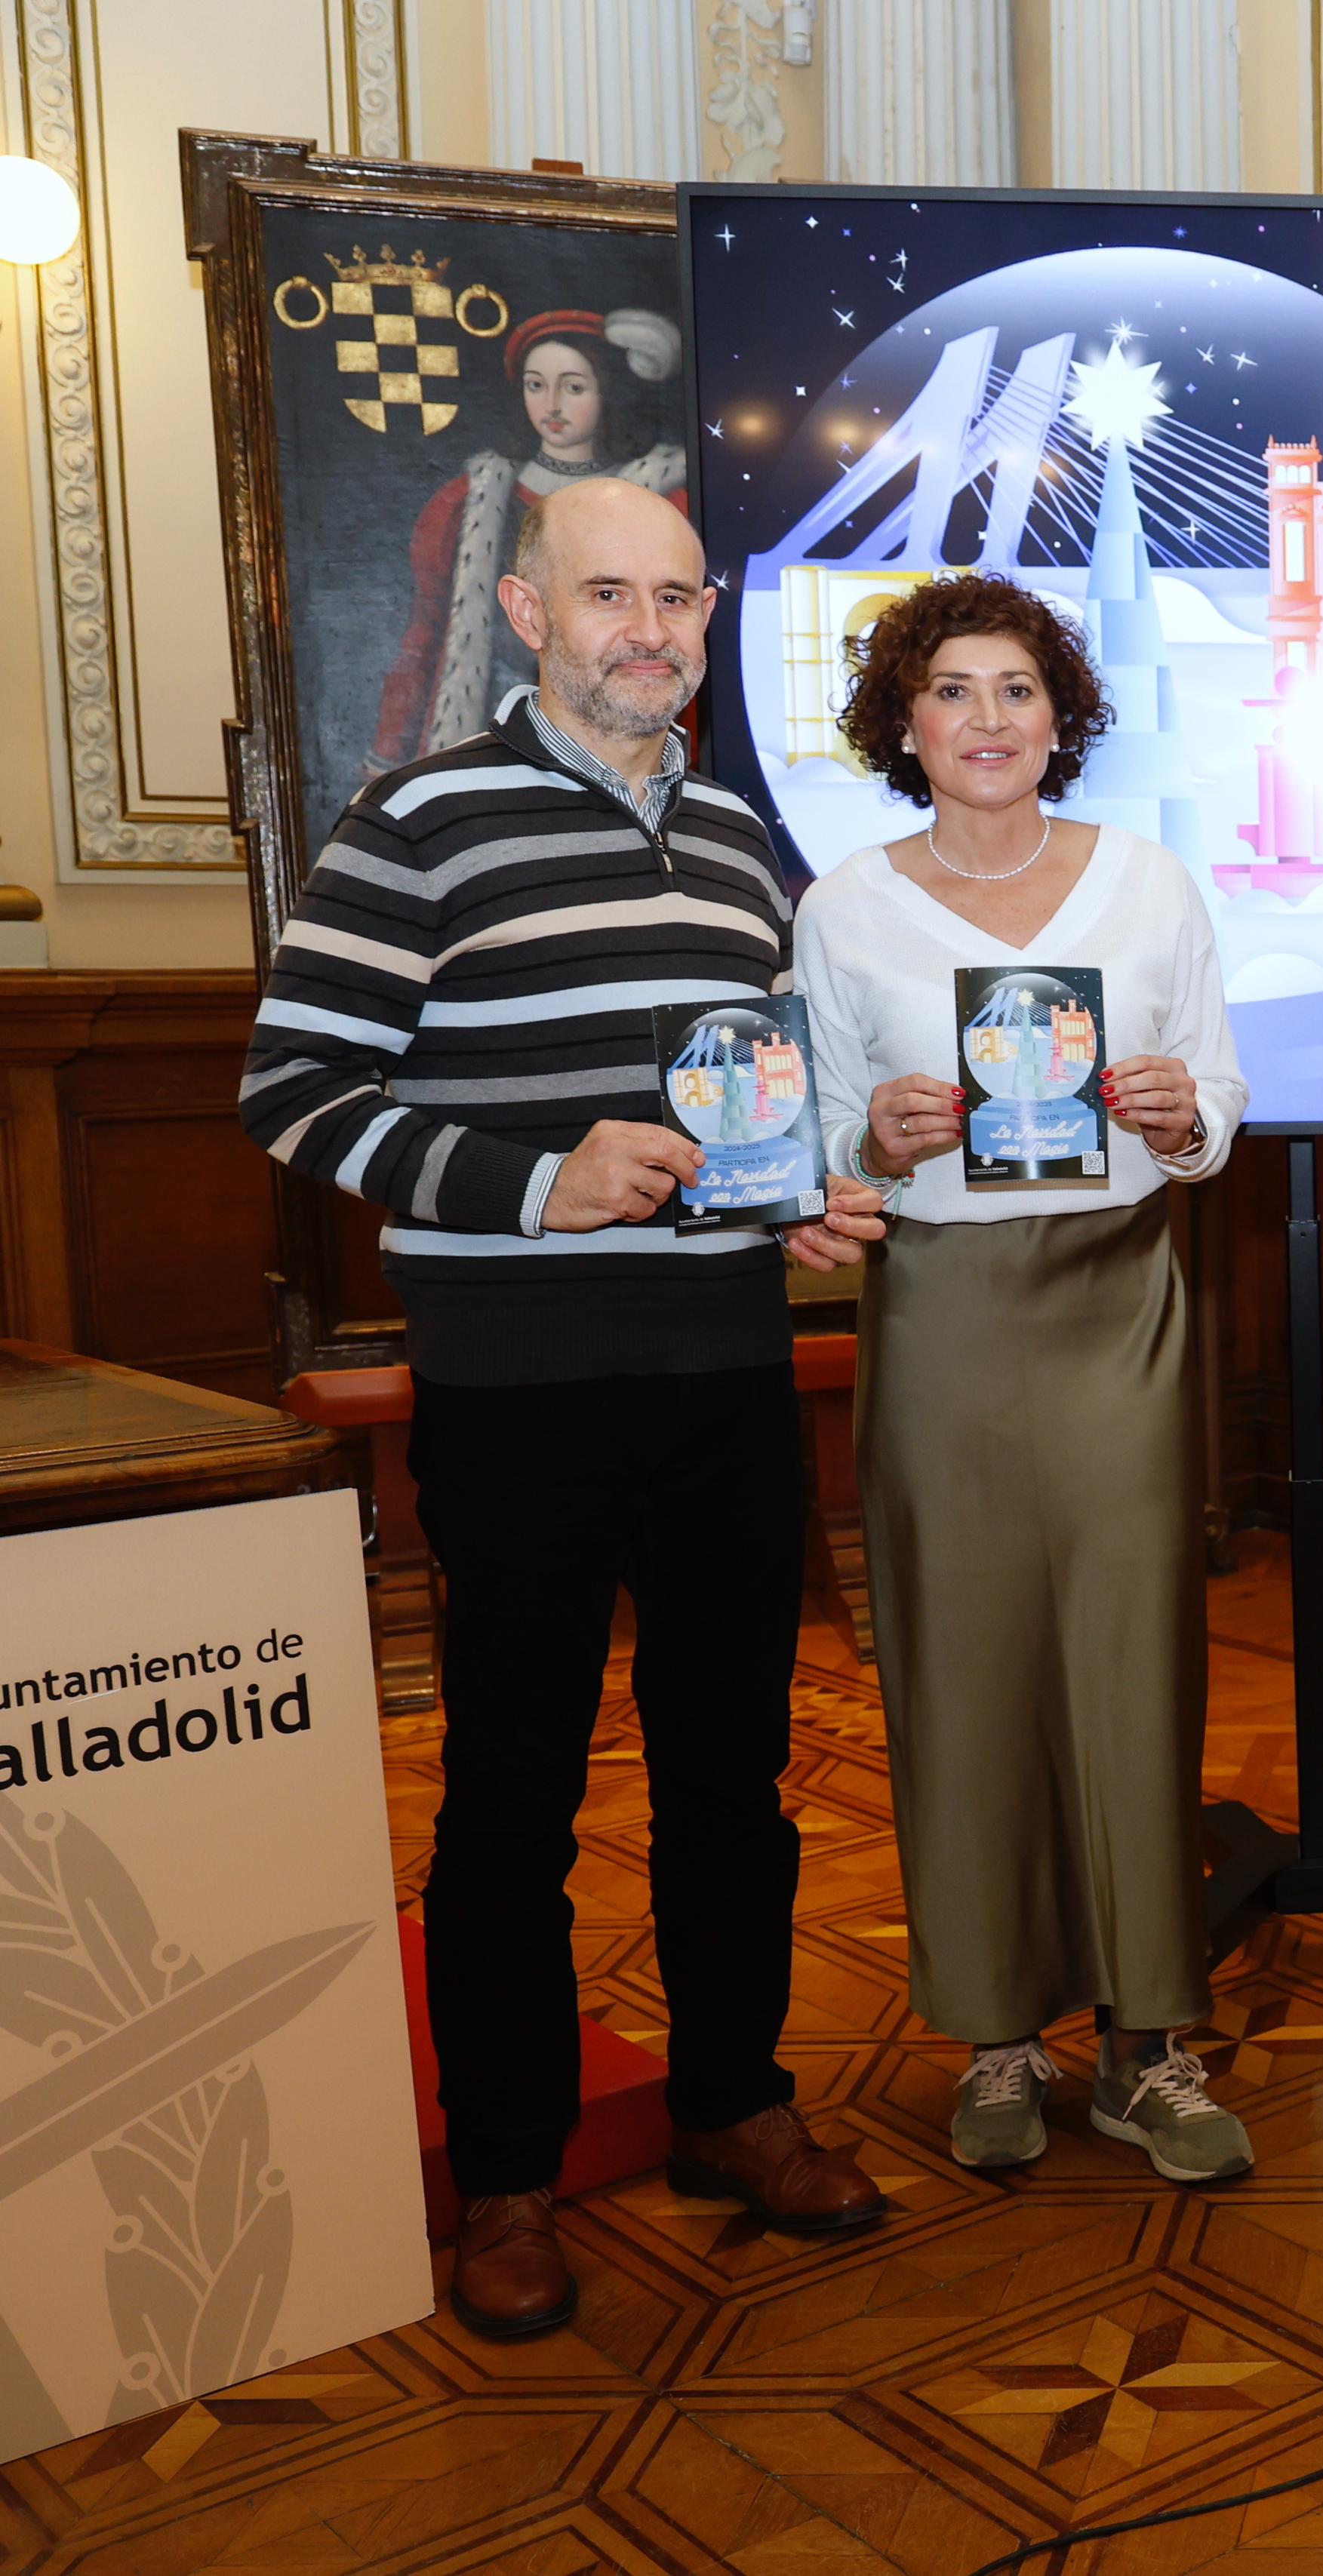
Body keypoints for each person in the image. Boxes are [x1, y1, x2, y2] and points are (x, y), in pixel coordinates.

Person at [242, 477, 895, 2341]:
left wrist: (800, 1196)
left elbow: (749, 1102)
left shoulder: (738, 840)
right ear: (529, 614)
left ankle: (734, 2103)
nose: (650, 630)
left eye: (677, 598)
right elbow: (295, 1093)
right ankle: (510, 2174)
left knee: (733, 1775)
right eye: (609, 593)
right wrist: (541, 1182)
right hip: (515, 1386)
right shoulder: (419, 820)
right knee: (513, 1795)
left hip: (724, 1374)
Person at [795, 573, 1254, 2184]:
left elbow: (1221, 1100)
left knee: (1136, 1663)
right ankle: (997, 2035)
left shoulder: (1149, 884)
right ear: (903, 725)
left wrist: (1183, 1116)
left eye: (1016, 689)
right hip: (941, 1315)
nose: (985, 719)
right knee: (963, 1667)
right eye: (951, 691)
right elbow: (821, 1140)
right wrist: (875, 1135)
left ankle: (1148, 2044)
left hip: (1119, 1304)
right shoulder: (843, 907)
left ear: (1062, 718)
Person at [372, 306, 688, 771]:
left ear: (607, 392)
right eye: (536, 385)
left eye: (573, 387)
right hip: (492, 732)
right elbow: (425, 633)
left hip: (620, 734)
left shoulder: (663, 500)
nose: (552, 405)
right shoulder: (470, 501)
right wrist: (387, 757)